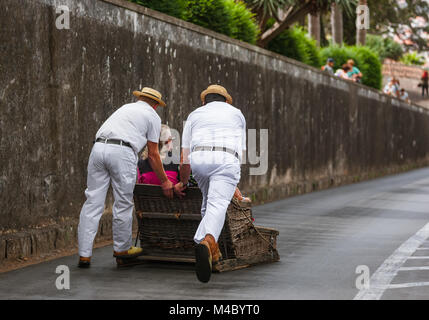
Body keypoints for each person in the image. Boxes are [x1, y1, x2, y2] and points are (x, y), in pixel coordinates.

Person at [77, 87, 176, 268]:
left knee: (92, 201)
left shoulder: (125, 108)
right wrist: (164, 181)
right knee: (123, 202)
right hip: (122, 151)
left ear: (140, 99)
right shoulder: (152, 116)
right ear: (155, 105)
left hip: (98, 148)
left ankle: (84, 255)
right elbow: (153, 154)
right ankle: (122, 250)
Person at [175, 85, 246, 283]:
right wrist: (232, 180)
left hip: (200, 158)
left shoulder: (195, 114)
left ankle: (212, 254)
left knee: (208, 203)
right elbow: (241, 151)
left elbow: (184, 157)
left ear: (204, 101)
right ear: (226, 100)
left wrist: (182, 181)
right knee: (217, 205)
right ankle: (205, 242)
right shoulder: (237, 114)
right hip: (226, 158)